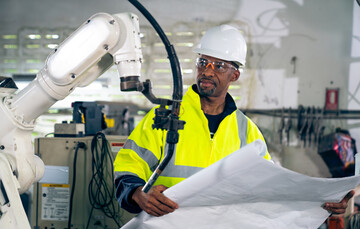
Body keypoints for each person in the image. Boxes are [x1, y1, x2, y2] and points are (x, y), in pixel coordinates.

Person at [113, 24, 353, 217]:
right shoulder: (163, 119)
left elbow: (272, 187)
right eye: (202, 62)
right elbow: (128, 166)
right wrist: (137, 193)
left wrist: (320, 202)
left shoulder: (247, 132)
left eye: (218, 65)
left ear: (235, 75)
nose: (207, 71)